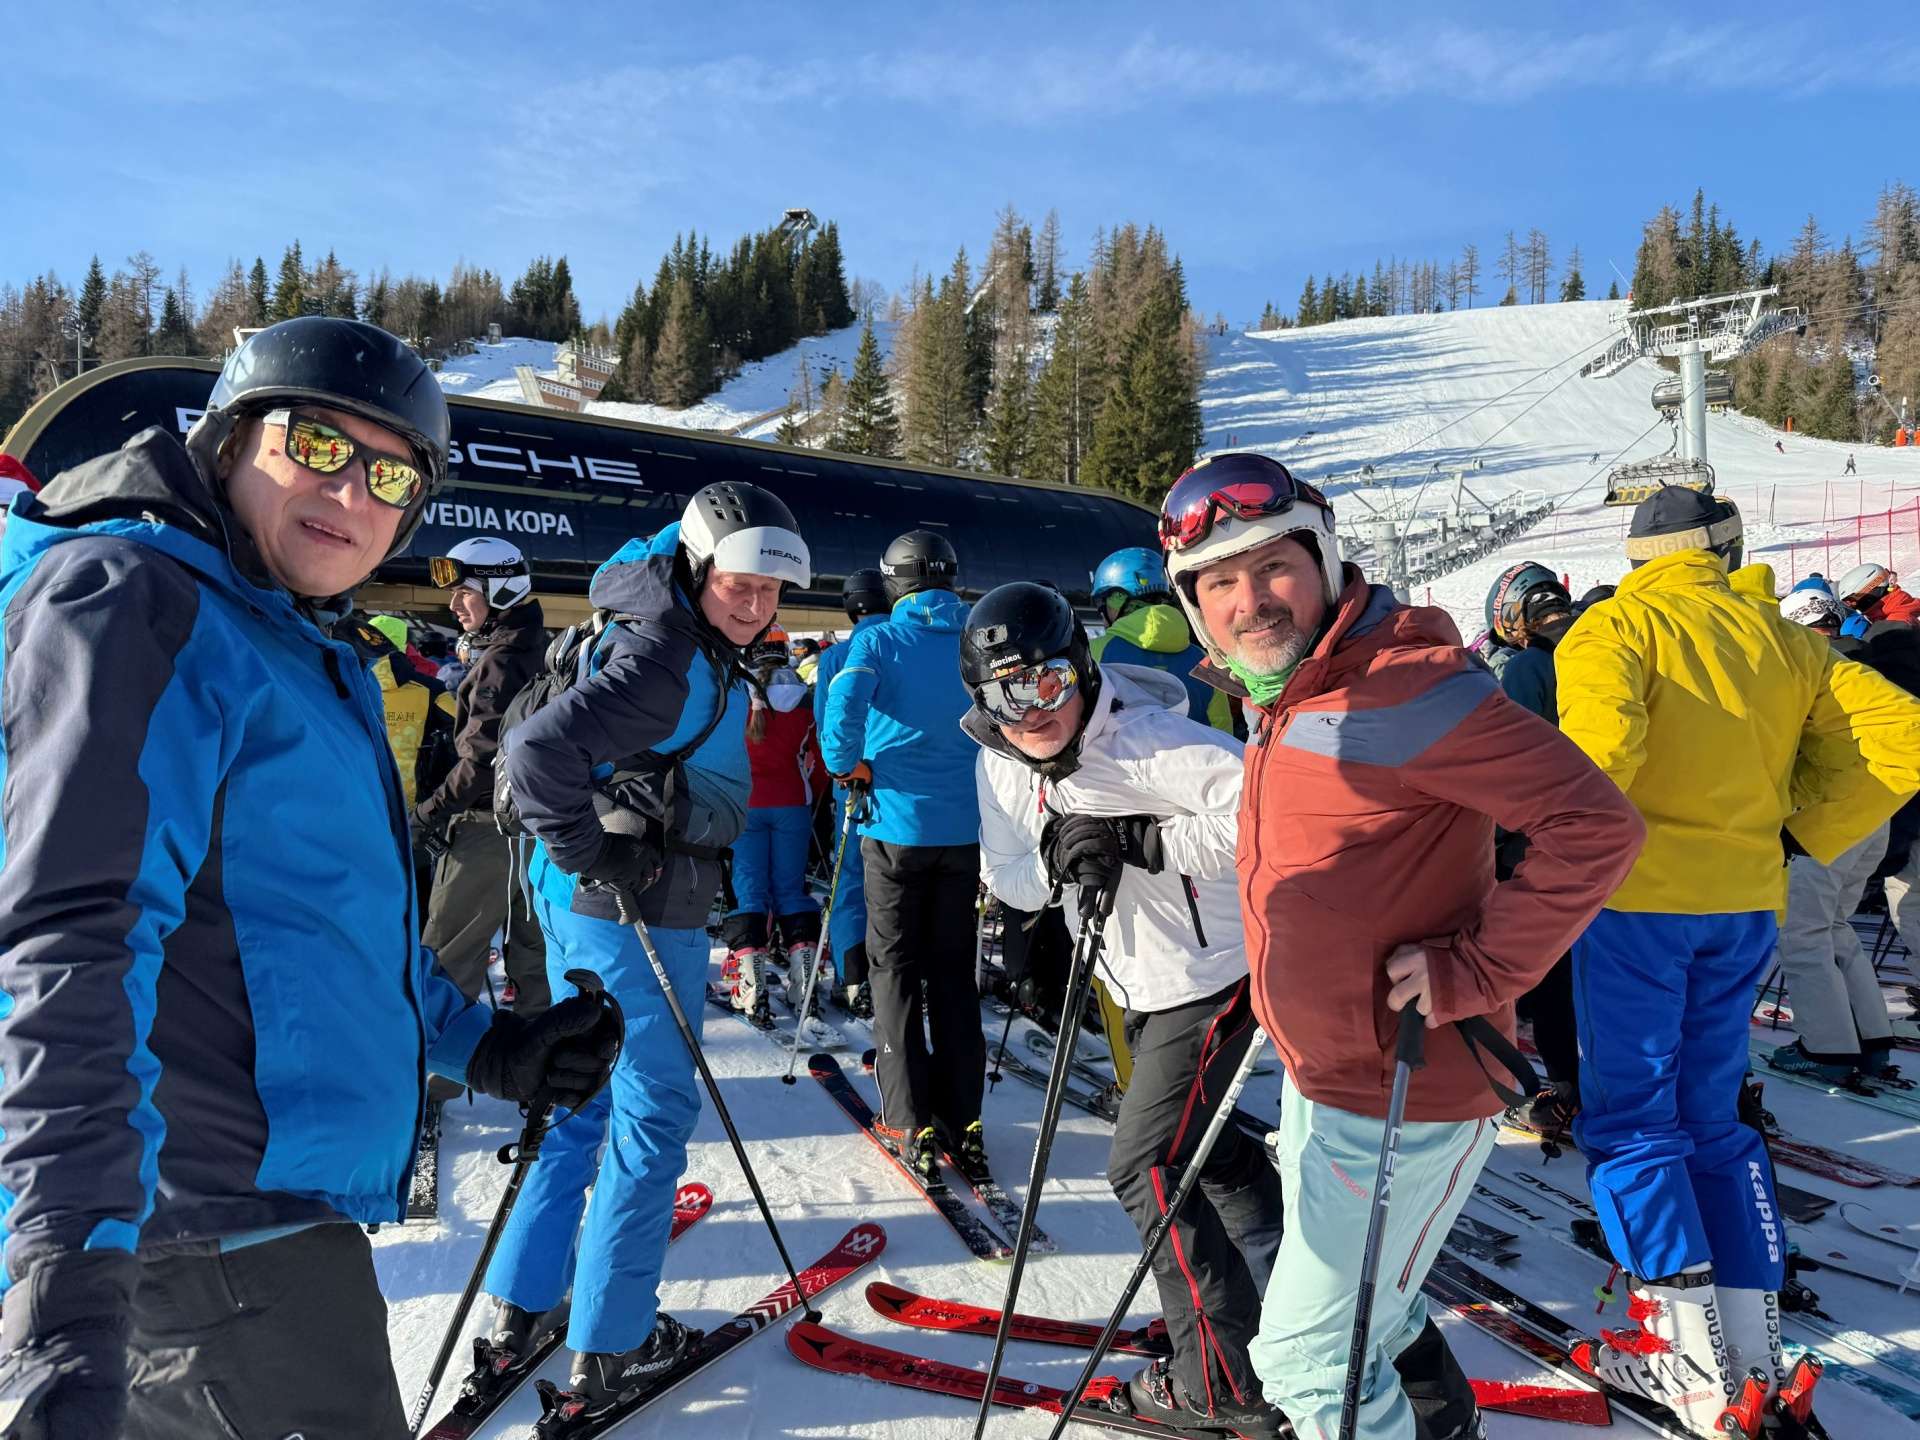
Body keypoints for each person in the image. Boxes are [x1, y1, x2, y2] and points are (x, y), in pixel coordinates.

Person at [0, 316, 619, 1440]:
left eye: (391, 473)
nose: (352, 491)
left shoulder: (281, 634)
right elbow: (67, 946)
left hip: (261, 1236)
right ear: (233, 437)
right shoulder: (138, 603)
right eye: (318, 446)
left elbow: (307, 928)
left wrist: (484, 1044)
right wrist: (59, 1290)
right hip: (185, 1246)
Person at [1160, 452, 1643, 1440]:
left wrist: (1478, 970)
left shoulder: (1404, 686)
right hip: (1323, 1069)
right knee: (1364, 1312)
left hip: (1405, 1090)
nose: (1250, 600)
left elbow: (1595, 825)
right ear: (1195, 605)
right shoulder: (1284, 691)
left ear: (1328, 564)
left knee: (1303, 1355)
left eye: (1273, 567)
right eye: (1220, 582)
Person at [1553, 486, 1920, 1434]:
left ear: (1637, 555)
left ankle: (1682, 1352)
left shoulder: (1613, 629)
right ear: (1725, 548)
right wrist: (1805, 830)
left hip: (1637, 905)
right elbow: (1901, 734)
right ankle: (1749, 1349)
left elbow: (1598, 761)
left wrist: (1538, 866)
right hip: (1745, 903)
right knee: (1711, 1116)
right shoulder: (1787, 640)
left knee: (1634, 1121)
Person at [477, 481, 807, 1420]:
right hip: (634, 908)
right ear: (701, 568)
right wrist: (595, 851)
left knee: (579, 1094)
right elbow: (541, 753)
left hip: (584, 901)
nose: (755, 605)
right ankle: (612, 1344)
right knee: (651, 1111)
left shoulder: (650, 596)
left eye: (771, 592)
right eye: (739, 584)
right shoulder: (666, 656)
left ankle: (521, 1303)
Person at [963, 581, 1288, 1436]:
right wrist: (1055, 847)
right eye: (1002, 694)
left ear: (1078, 670)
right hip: (1134, 981)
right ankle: (1282, 1299)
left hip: (1215, 977)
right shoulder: (998, 759)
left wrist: (1144, 841)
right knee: (1207, 1156)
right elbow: (1013, 880)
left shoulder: (1152, 743)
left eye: (1045, 683)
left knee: (1143, 1165)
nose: (1028, 711)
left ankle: (1221, 1386)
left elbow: (1270, 813)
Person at [819, 530, 983, 1181]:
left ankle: (909, 1114)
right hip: (968, 830)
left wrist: (845, 765)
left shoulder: (879, 638)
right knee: (952, 975)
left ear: (895, 582)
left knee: (894, 972)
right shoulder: (977, 634)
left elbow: (841, 711)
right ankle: (963, 1114)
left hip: (894, 829)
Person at [414, 535, 553, 1028]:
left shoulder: (501, 661)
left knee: (448, 954)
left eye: (465, 592)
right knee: (535, 953)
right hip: (535, 830)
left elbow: (480, 758)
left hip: (487, 830)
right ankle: (548, 1064)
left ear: (500, 591)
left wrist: (427, 813)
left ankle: (431, 1083)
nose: (453, 605)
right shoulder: (537, 643)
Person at [1766, 594, 1902, 1084]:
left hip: (1824, 821)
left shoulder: (1808, 671)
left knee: (1803, 936)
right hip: (1875, 815)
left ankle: (1827, 1048)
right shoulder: (1868, 663)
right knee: (1835, 926)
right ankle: (1870, 1038)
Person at [1482, 563, 1585, 1133]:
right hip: (1601, 835)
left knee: (1542, 971)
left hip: (1534, 840)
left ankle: (1559, 1085)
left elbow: (1513, 761)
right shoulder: (1593, 654)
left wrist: (1492, 837)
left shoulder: (1524, 668)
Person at [721, 625, 826, 1024]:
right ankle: (805, 984)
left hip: (745, 805)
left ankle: (751, 987)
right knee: (790, 890)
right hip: (792, 806)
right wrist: (812, 798)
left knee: (749, 891)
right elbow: (815, 761)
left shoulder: (737, 695)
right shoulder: (804, 698)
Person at [812, 567, 889, 1016]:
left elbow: (827, 726)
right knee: (898, 881)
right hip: (902, 784)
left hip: (854, 783)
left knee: (849, 880)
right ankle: (899, 974)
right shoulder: (905, 642)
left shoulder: (837, 657)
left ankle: (853, 977)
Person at [1089, 545, 1237, 734]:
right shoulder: (1205, 661)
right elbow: (1222, 731)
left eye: (1104, 602)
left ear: (1118, 598)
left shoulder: (1093, 654)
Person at [1835, 560, 1920, 625]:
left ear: (1873, 590)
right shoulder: (1889, 614)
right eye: (1848, 603)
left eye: (1853, 600)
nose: (1855, 607)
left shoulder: (1897, 621)